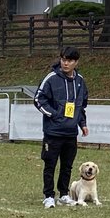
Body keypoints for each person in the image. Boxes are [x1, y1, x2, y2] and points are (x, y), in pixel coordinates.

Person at [34, 46, 89, 208]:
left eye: (69, 60)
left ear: (76, 62)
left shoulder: (80, 81)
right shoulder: (51, 78)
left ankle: (64, 194)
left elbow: (81, 105)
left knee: (67, 165)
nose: (65, 63)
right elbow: (38, 99)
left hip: (71, 133)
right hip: (53, 132)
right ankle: (48, 196)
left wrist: (82, 124)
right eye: (63, 59)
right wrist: (54, 114)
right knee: (50, 164)